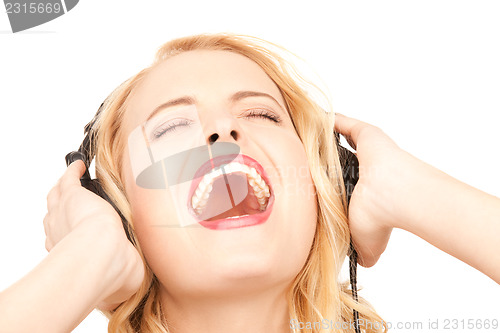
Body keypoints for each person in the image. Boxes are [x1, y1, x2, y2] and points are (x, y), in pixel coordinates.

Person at [0, 33, 498, 333]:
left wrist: (410, 191)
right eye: (173, 127)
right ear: (115, 206)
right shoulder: (103, 237)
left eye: (261, 113)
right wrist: (92, 251)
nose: (222, 131)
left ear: (331, 184)